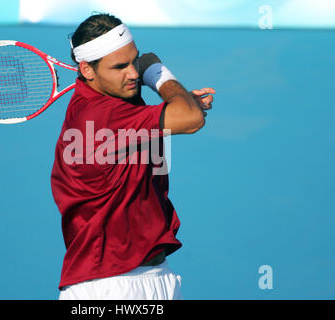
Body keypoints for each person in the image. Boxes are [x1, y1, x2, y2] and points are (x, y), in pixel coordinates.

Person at [50, 13, 215, 300]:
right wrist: (156, 72)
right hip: (108, 288)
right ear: (87, 69)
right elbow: (189, 118)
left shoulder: (115, 104)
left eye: (134, 61)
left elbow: (179, 114)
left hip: (154, 276)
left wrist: (183, 99)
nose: (133, 73)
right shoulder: (101, 116)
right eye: (120, 66)